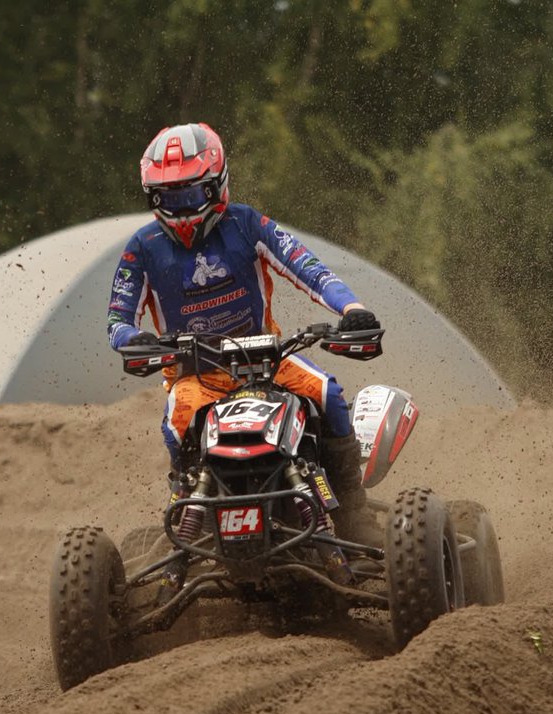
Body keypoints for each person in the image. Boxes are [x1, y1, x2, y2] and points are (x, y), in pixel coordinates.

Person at [106, 122, 381, 596]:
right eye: (168, 199)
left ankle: (351, 510)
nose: (181, 210)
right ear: (152, 198)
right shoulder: (142, 249)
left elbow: (307, 268)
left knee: (329, 395)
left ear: (217, 185)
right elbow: (117, 319)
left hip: (269, 361)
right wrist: (137, 341)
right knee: (176, 427)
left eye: (191, 195)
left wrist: (351, 309)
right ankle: (190, 524)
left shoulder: (246, 224)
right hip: (195, 374)